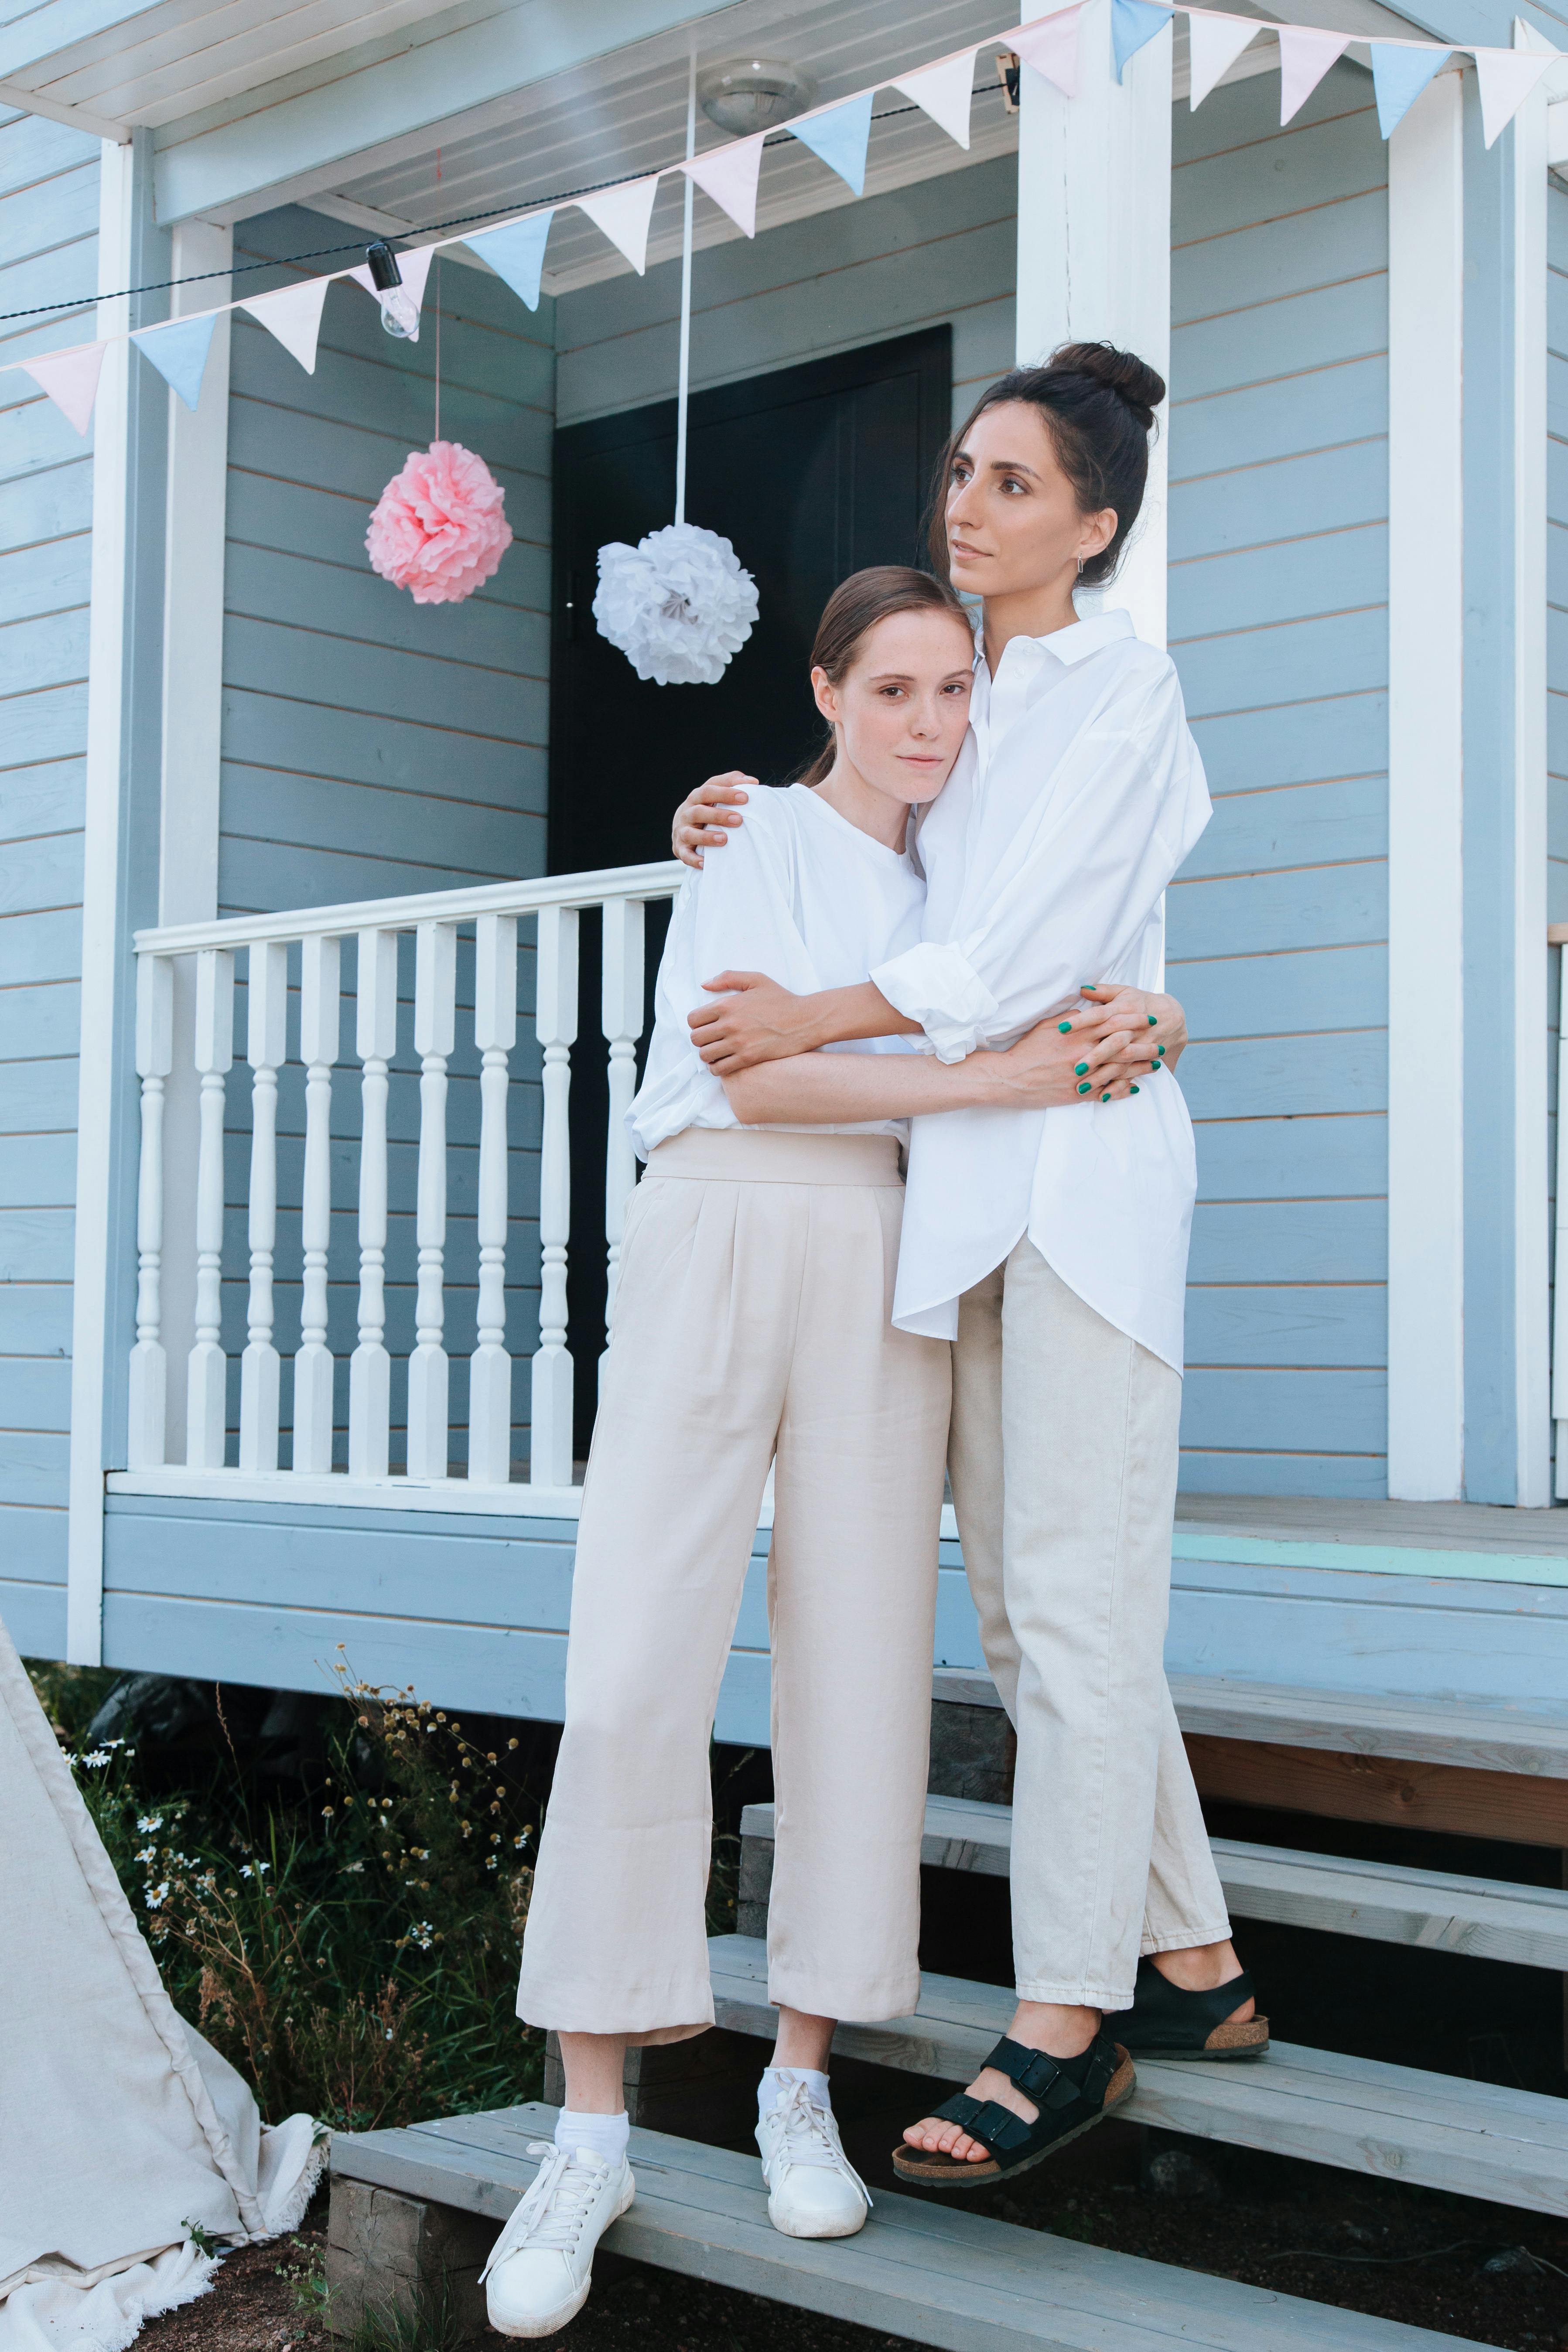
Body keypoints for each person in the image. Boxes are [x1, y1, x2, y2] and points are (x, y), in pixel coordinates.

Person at [482, 567, 1152, 2342]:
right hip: (716, 1227)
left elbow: (1092, 993)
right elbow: (754, 1076)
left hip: (886, 1255)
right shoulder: (751, 832)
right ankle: (589, 2124)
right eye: (897, 688)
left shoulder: (977, 877)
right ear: (828, 690)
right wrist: (990, 1086)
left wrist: (1134, 1029)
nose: (929, 721)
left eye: (953, 690)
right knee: (634, 1669)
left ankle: (800, 2073)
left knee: (858, 1670)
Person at [671, 342, 1267, 2196]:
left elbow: (1015, 948)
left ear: (1091, 523)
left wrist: (815, 1012)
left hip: (1080, 1184)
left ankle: (1065, 2017)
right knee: (1030, 1615)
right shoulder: (960, 696)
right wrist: (734, 812)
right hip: (966, 1195)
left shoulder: (1120, 690)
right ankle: (1194, 1963)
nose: (967, 503)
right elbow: (872, 825)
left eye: (1012, 484)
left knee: (1072, 1616)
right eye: (961, 473)